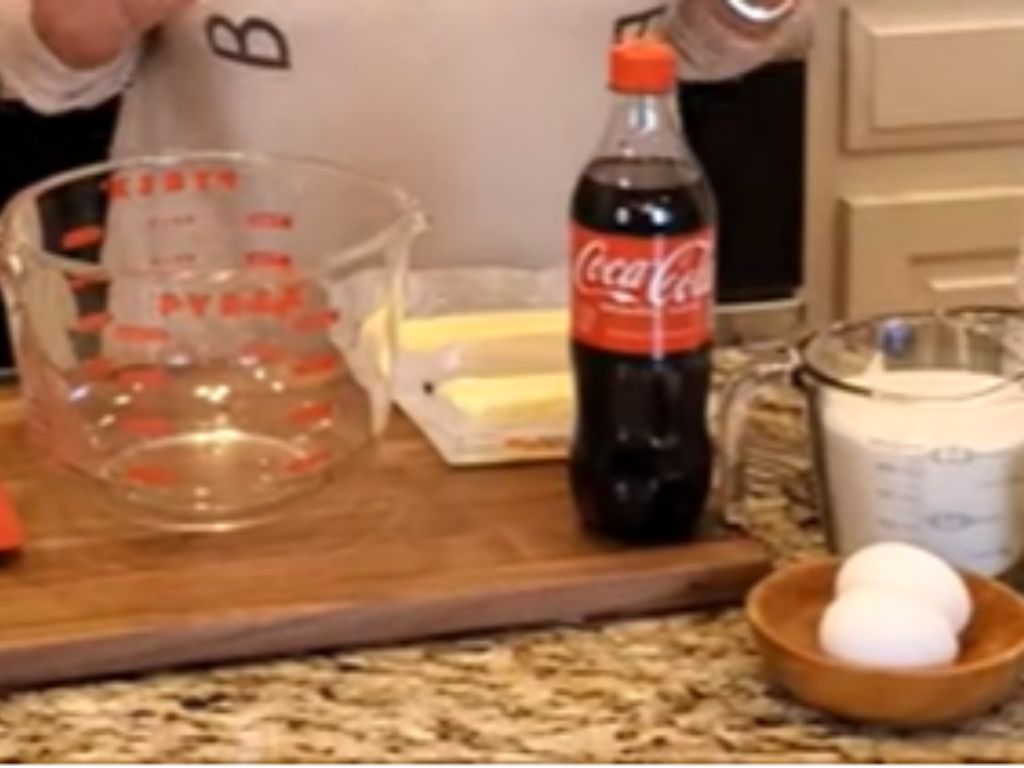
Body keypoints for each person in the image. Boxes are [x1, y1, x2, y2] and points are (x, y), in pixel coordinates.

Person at [0, 0, 813, 273]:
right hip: (232, 331)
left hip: (549, 330)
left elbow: (715, 41)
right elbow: (35, 60)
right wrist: (83, 18)